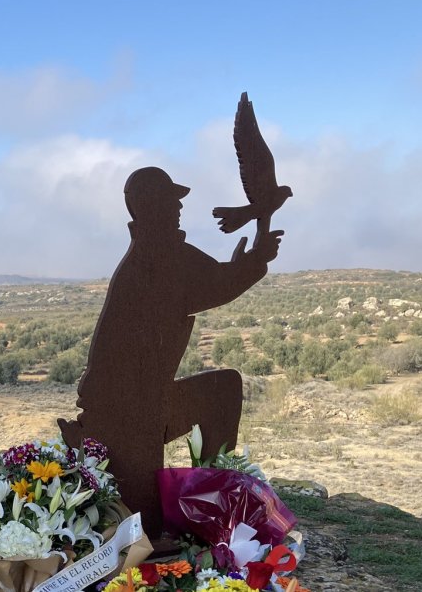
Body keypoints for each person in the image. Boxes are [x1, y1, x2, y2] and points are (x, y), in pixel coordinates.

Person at [58, 167, 283, 533]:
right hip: (132, 406)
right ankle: (210, 506)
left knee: (223, 389)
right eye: (171, 200)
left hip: (139, 398)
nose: (179, 207)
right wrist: (256, 260)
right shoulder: (159, 257)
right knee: (142, 525)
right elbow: (218, 284)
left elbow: (216, 282)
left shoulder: (157, 253)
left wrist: (254, 260)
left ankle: (211, 500)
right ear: (152, 206)